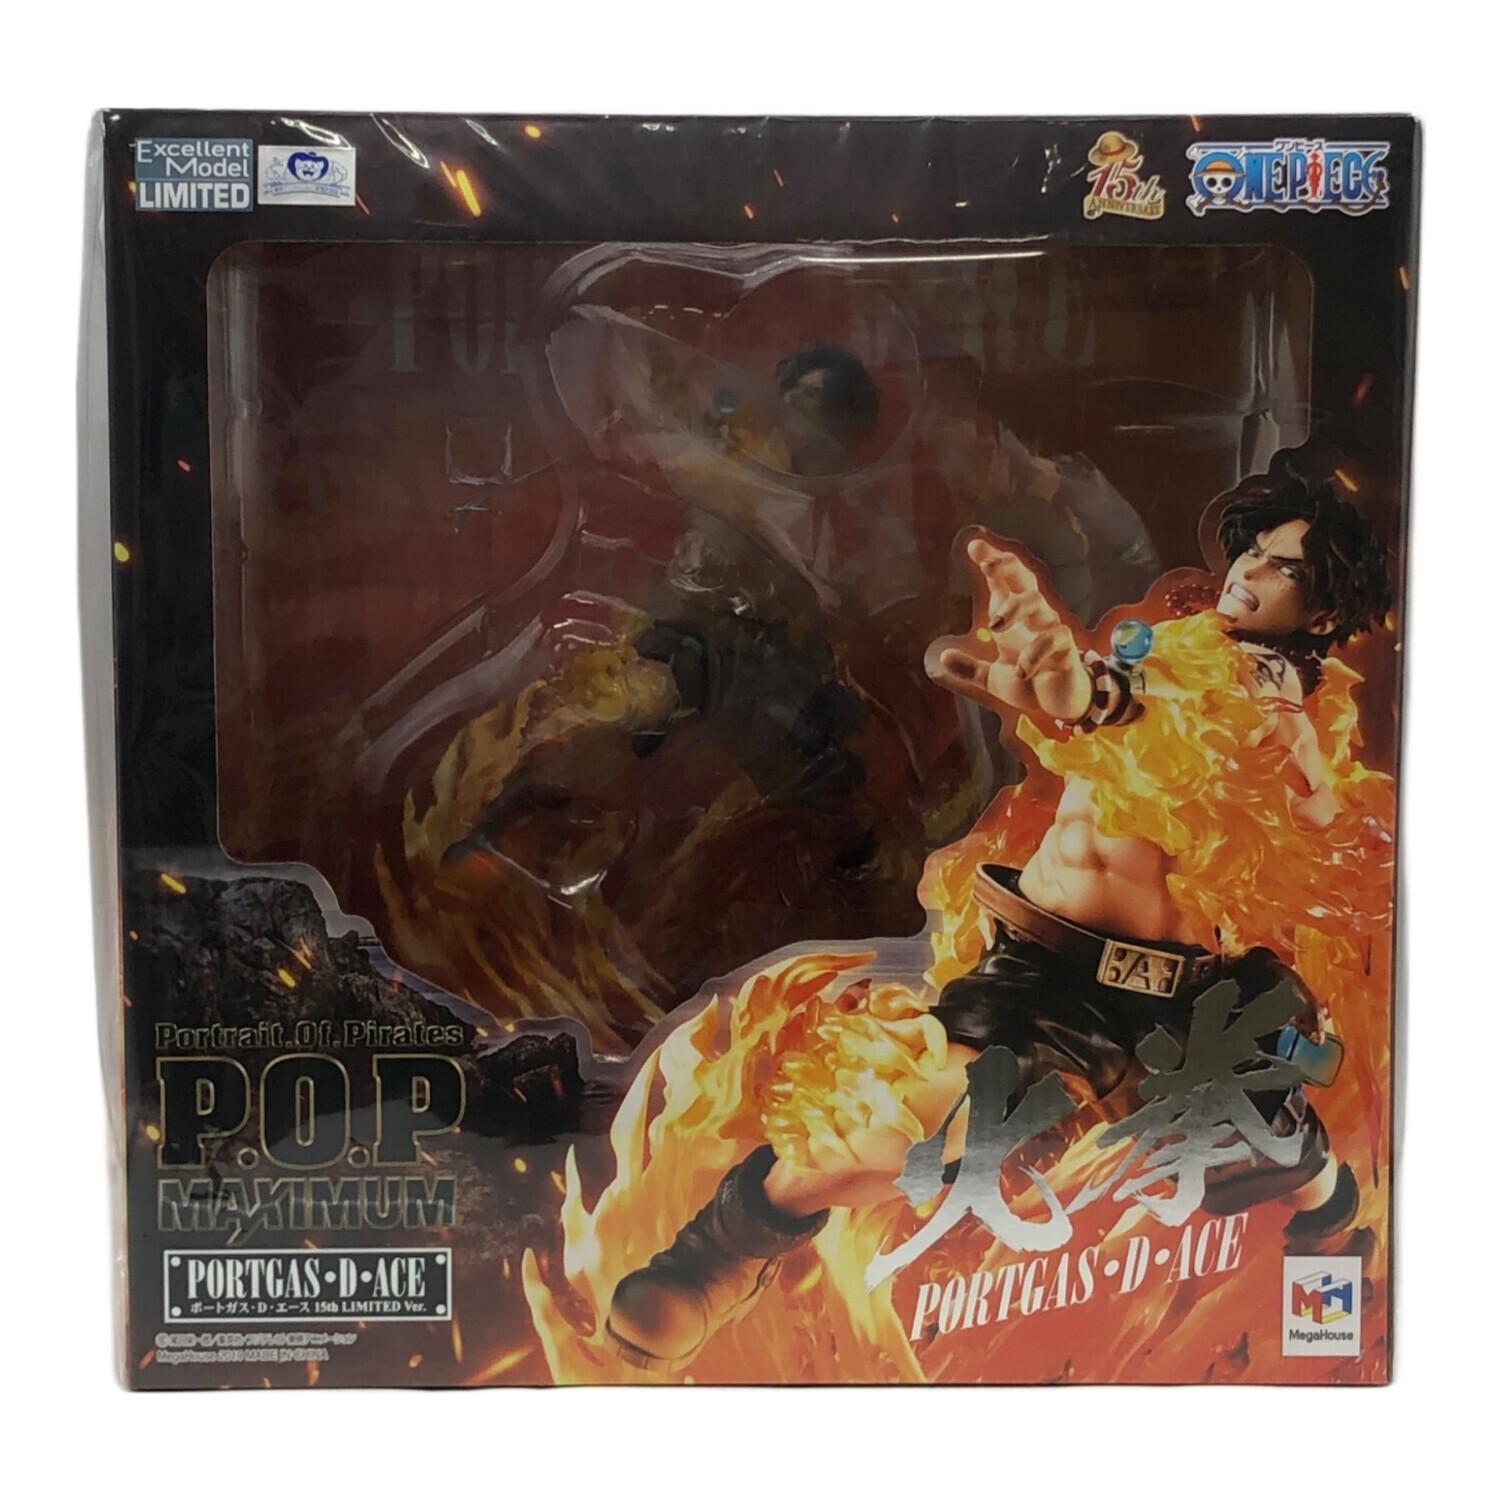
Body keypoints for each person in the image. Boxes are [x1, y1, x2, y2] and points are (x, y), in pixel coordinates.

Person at [602, 459, 1393, 1372]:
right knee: (899, 1117)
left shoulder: (1281, 709)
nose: (1249, 570)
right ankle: (722, 1252)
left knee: (1281, 1147)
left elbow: (1195, 734)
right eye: (1253, 550)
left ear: (1321, 614)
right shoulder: (1178, 643)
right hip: (1044, 975)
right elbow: (1119, 697)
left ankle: (1335, 1240)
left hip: (1178, 1002)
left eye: (1284, 569)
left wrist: (1094, 699)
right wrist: (1055, 687)